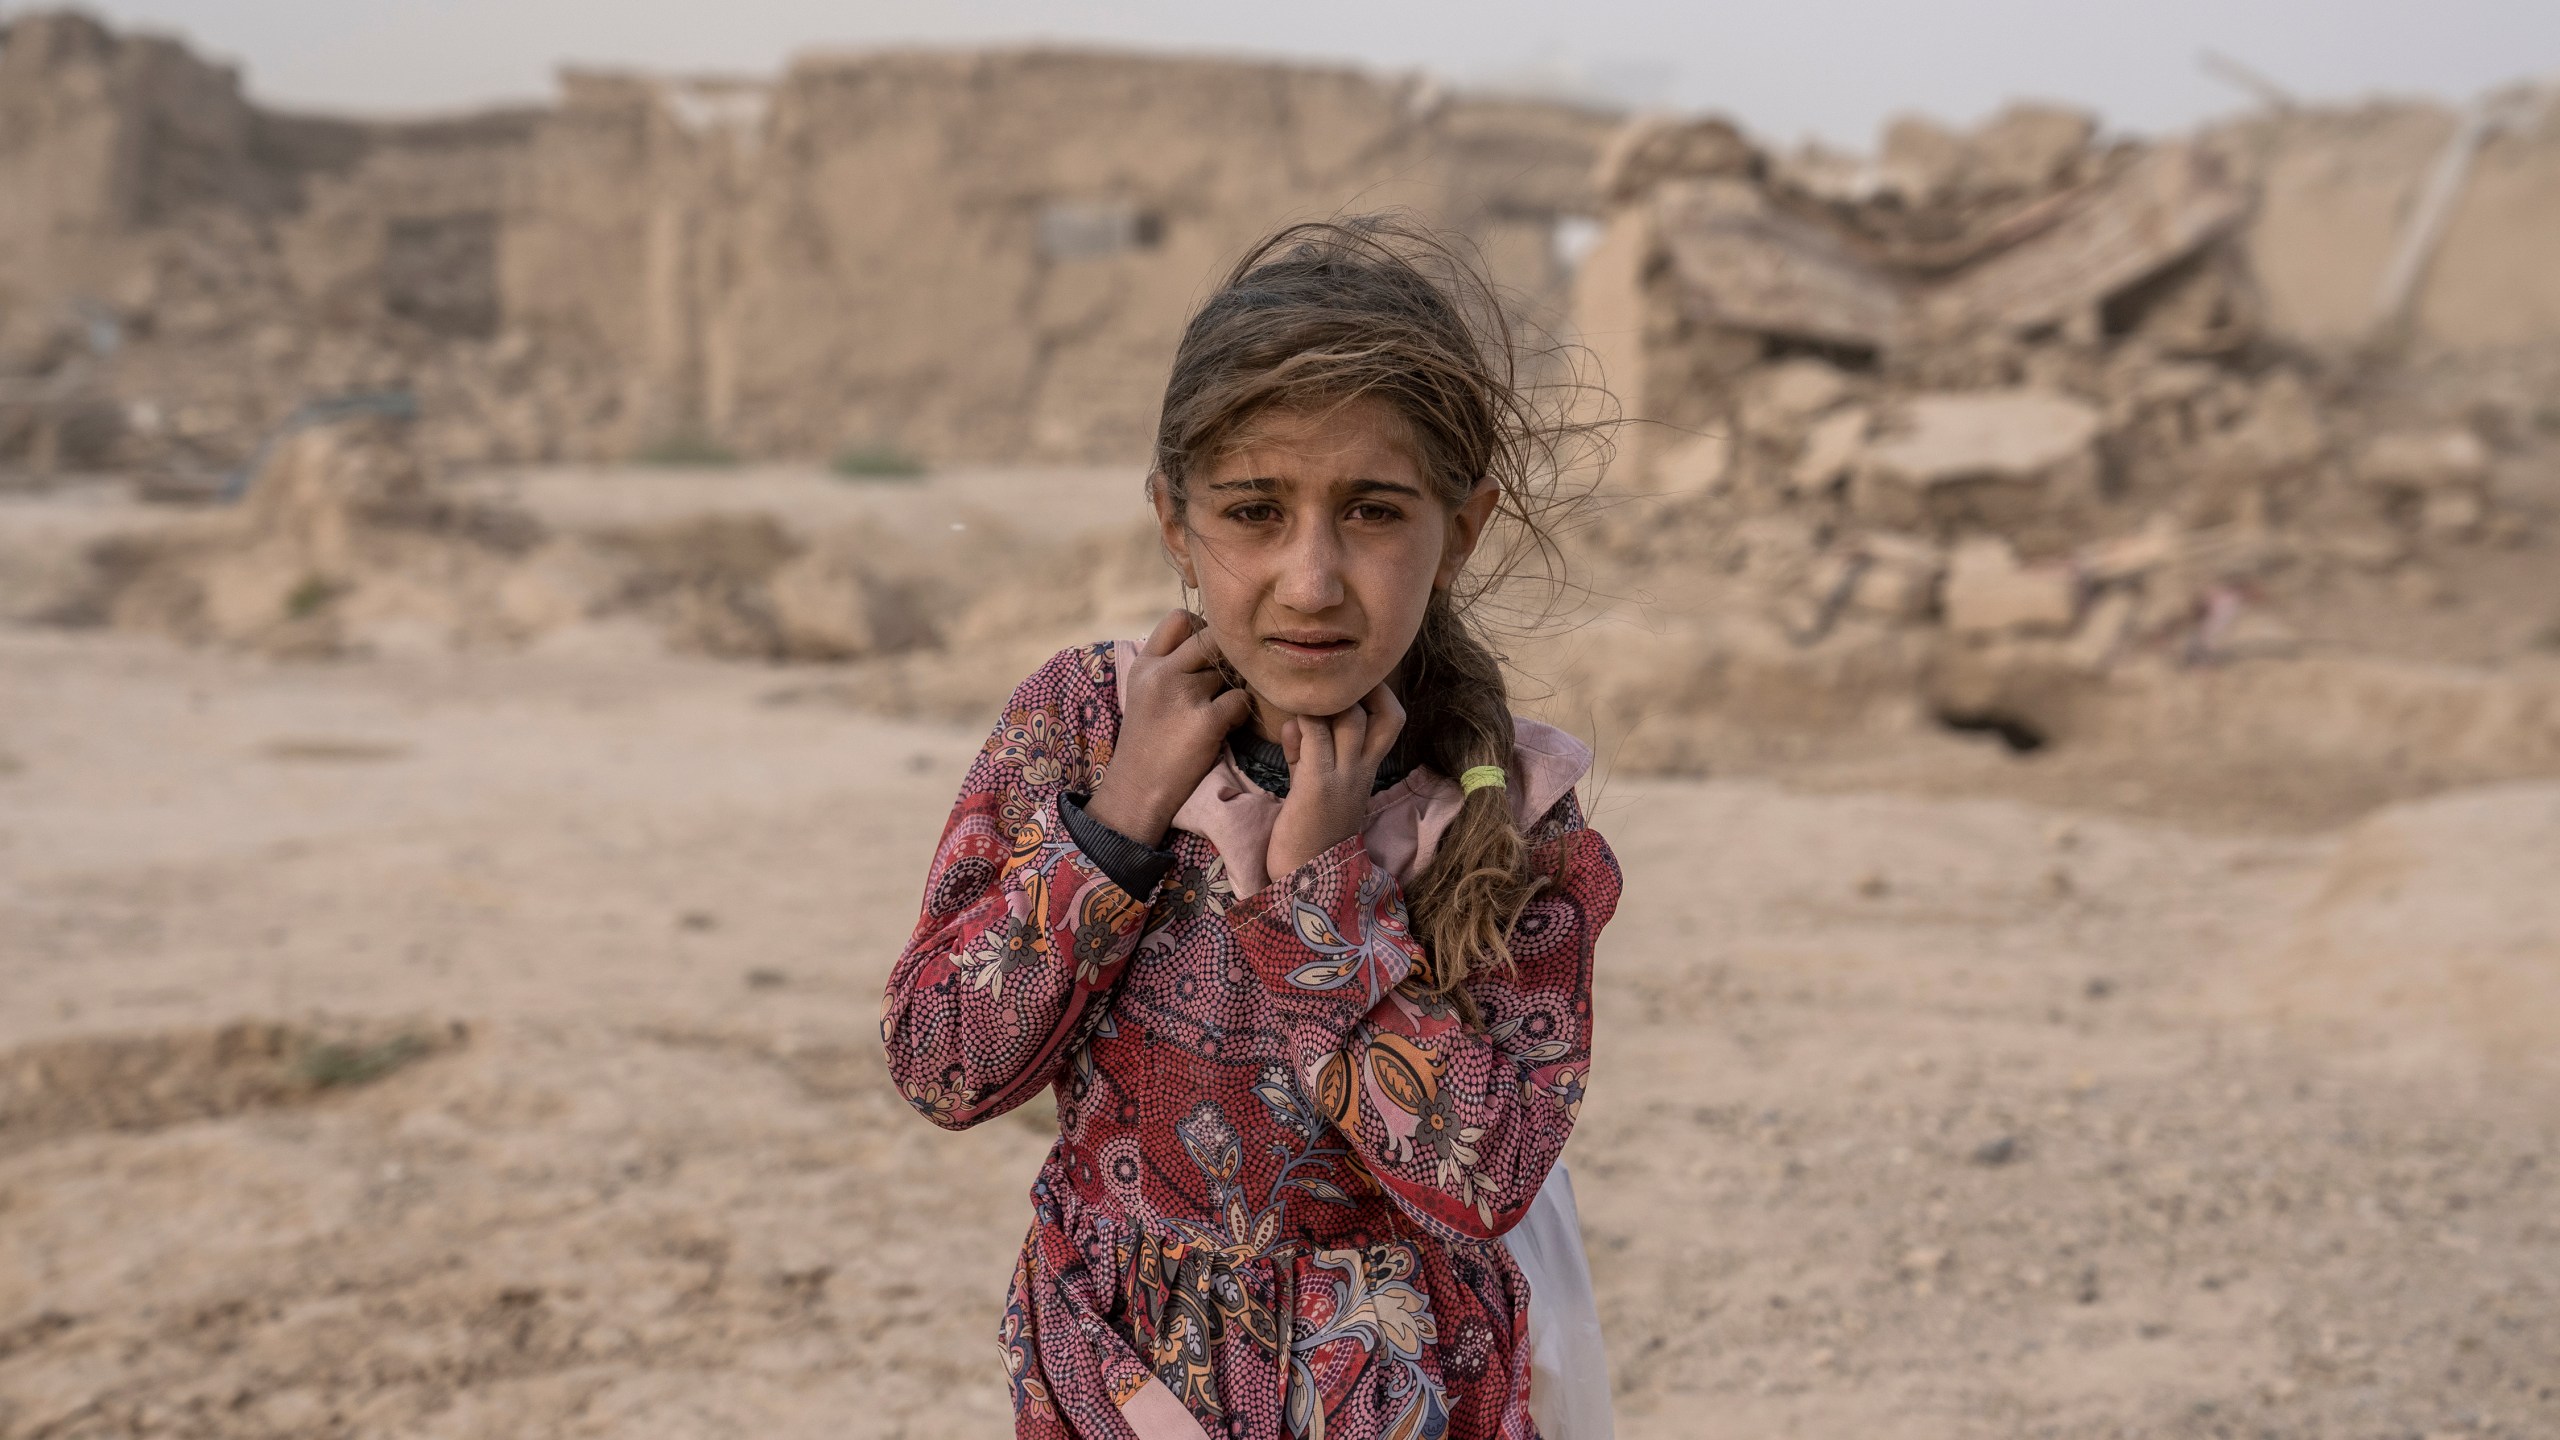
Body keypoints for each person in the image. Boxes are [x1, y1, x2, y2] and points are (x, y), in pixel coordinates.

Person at [881, 216, 1622, 1439]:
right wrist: (1119, 815)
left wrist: (1318, 902)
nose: (1312, 577)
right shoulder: (1081, 727)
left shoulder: (1502, 805)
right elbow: (940, 1065)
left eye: (1375, 512)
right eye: (1254, 511)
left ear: (1464, 530)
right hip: (1116, 1375)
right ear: (1176, 523)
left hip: (1399, 1391)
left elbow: (1484, 1172)